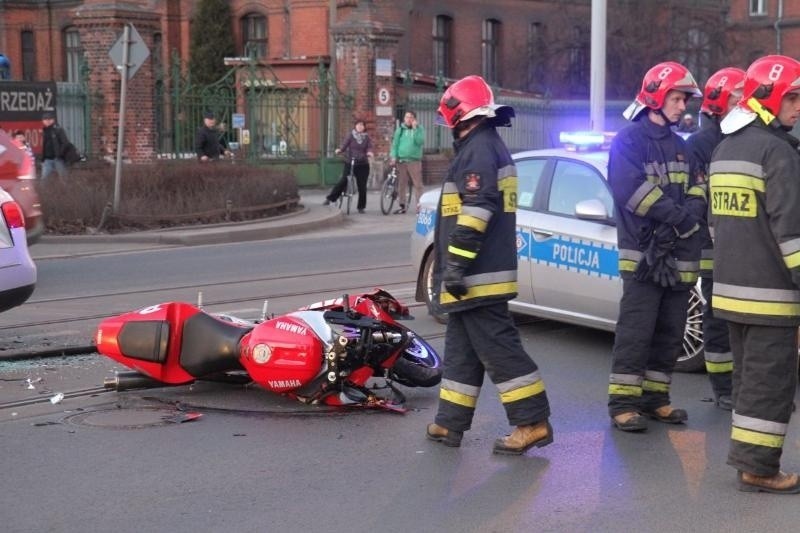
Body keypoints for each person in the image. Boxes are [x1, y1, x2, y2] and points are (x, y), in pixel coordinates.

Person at [425, 75, 552, 455]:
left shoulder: (478, 150)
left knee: (500, 350)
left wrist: (456, 267)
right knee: (462, 349)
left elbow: (476, 212)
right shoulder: (486, 146)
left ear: (459, 115)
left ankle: (532, 422)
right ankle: (449, 423)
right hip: (478, 274)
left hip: (478, 275)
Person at [709, 55, 800, 494]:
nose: (798, 107)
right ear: (769, 97)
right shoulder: (777, 152)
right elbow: (792, 235)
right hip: (770, 296)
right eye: (793, 97)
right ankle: (760, 469)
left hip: (730, 293)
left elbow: (716, 225)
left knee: (749, 385)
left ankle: (749, 460)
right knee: (770, 385)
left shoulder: (726, 148)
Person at [607, 61, 705, 432]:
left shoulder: (683, 147)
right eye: (678, 98)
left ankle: (655, 400)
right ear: (656, 98)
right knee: (637, 331)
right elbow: (630, 191)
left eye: (684, 100)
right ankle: (622, 405)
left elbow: (698, 189)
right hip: (644, 257)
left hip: (679, 256)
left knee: (670, 331)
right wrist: (677, 219)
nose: (683, 106)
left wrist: (687, 217)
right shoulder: (629, 142)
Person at [684, 67, 746, 412]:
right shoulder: (700, 146)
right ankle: (723, 387)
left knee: (743, 321)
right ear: (720, 100)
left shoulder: (739, 138)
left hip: (740, 247)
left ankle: (745, 386)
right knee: (719, 319)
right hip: (711, 249)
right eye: (738, 95)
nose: (745, 101)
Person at [324, 119, 374, 214]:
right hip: (350, 162)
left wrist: (369, 152)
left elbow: (369, 147)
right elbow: (344, 144)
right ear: (355, 126)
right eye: (358, 125)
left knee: (362, 186)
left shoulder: (367, 138)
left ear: (364, 127)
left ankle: (361, 207)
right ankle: (330, 198)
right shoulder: (350, 135)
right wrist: (340, 150)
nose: (360, 127)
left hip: (363, 164)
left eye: (362, 125)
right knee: (344, 180)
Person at [389, 110, 425, 214]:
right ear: (404, 119)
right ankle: (402, 205)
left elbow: (420, 142)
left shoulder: (419, 129)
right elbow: (395, 144)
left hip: (414, 161)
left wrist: (415, 129)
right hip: (402, 160)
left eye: (411, 117)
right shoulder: (400, 130)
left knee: (417, 184)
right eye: (406, 117)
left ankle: (419, 206)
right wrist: (393, 156)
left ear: (414, 119)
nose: (408, 119)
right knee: (402, 184)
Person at [41, 111, 70, 179]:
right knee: (44, 179)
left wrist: (59, 154)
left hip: (58, 159)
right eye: (45, 119)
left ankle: (65, 190)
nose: (47, 121)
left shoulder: (58, 130)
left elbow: (65, 143)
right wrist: (43, 158)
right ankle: (45, 190)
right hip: (47, 159)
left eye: (49, 119)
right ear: (43, 121)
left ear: (53, 120)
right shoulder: (44, 130)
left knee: (63, 178)